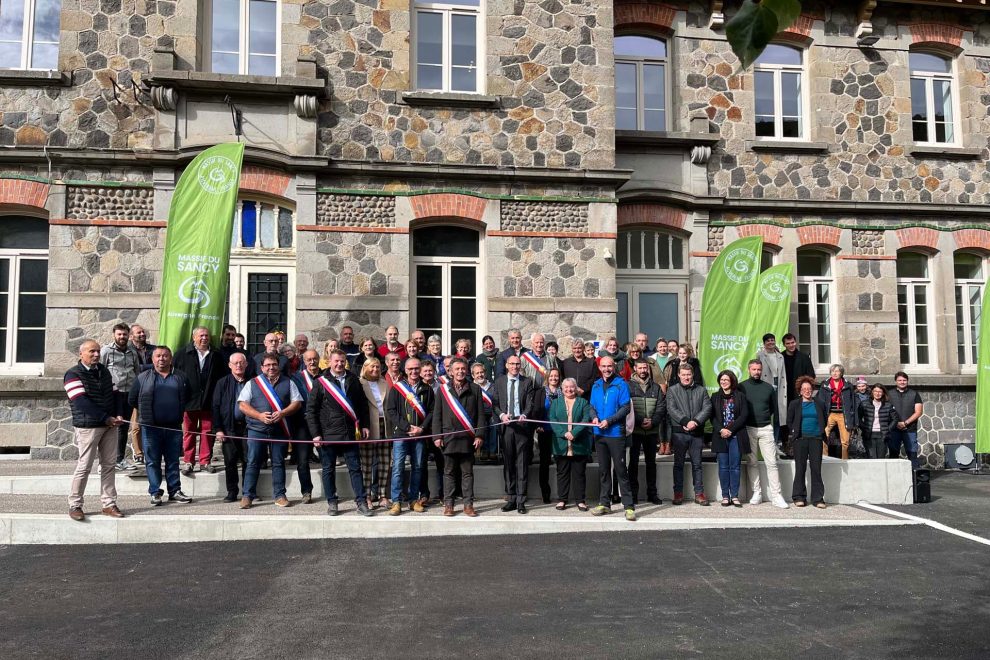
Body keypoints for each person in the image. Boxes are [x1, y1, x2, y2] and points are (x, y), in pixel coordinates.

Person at [65, 339, 125, 521]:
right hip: (88, 426)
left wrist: (119, 414)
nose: (97, 354)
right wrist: (105, 418)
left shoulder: (104, 371)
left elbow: (116, 394)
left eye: (98, 351)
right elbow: (80, 401)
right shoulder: (72, 374)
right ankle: (75, 504)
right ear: (80, 354)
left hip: (109, 426)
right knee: (84, 466)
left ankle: (108, 504)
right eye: (92, 351)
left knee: (108, 466)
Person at [307, 349, 371, 516]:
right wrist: (316, 434)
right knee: (328, 469)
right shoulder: (320, 382)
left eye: (342, 361)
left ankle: (361, 502)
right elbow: (311, 411)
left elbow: (362, 405)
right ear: (329, 362)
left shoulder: (353, 379)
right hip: (328, 433)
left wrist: (365, 425)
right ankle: (332, 502)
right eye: (336, 361)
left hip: (350, 433)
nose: (339, 364)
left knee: (356, 469)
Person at [129, 345, 194, 506]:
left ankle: (175, 491)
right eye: (158, 356)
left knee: (173, 461)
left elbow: (189, 396)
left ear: (170, 358)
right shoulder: (142, 378)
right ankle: (155, 492)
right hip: (151, 428)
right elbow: (132, 399)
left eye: (165, 356)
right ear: (152, 359)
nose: (161, 359)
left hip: (173, 427)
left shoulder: (181, 377)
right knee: (152, 461)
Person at [238, 353, 302, 509]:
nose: (271, 367)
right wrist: (259, 415)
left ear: (278, 366)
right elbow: (242, 405)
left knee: (278, 463)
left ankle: (280, 495)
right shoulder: (252, 383)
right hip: (256, 429)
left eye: (274, 364)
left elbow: (297, 402)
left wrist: (283, 413)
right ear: (262, 367)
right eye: (267, 365)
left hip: (279, 429)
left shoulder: (288, 382)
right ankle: (247, 496)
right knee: (253, 462)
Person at [432, 357, 486, 517]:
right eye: (457, 369)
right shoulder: (443, 390)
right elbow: (437, 415)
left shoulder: (475, 389)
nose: (460, 371)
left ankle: (468, 505)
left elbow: (481, 416)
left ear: (467, 371)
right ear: (450, 372)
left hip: (468, 439)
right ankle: (449, 505)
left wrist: (480, 435)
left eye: (463, 369)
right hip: (449, 439)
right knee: (448, 473)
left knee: (467, 473)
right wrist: (437, 436)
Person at [173, 326, 229, 474]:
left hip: (209, 401)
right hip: (189, 401)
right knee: (189, 432)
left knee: (207, 431)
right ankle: (188, 462)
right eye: (201, 336)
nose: (204, 338)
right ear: (194, 338)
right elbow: (175, 376)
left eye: (206, 335)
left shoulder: (217, 354)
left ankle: (205, 461)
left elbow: (223, 377)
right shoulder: (182, 354)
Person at [589, 356, 636, 521]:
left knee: (621, 470)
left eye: (609, 366)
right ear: (600, 367)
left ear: (614, 367)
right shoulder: (595, 385)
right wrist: (594, 418)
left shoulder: (621, 384)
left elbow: (625, 409)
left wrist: (609, 421)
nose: (607, 369)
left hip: (616, 433)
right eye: (604, 366)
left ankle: (629, 506)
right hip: (600, 435)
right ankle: (604, 503)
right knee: (603, 470)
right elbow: (592, 407)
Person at [738, 359, 789, 509]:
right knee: (752, 462)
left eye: (759, 369)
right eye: (753, 369)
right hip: (748, 428)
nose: (756, 372)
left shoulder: (768, 388)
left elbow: (773, 409)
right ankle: (757, 493)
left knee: (772, 463)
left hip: (766, 428)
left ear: (762, 370)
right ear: (749, 370)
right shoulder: (742, 387)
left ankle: (776, 495)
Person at [386, 357, 434, 515]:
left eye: (416, 368)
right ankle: (396, 502)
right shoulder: (397, 388)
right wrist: (406, 427)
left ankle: (414, 500)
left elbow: (432, 412)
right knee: (398, 468)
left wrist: (421, 428)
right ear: (405, 370)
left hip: (419, 435)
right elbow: (391, 411)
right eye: (410, 369)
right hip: (401, 434)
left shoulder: (427, 389)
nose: (414, 371)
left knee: (418, 467)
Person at [493, 354, 539, 513]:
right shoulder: (499, 382)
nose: (515, 367)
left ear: (521, 366)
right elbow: (495, 404)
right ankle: (511, 497)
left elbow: (530, 404)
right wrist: (501, 415)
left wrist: (525, 415)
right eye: (512, 364)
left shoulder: (527, 382)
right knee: (508, 464)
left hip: (522, 428)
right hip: (507, 428)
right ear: (506, 365)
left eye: (517, 364)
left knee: (522, 464)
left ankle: (521, 500)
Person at [666, 363, 713, 506]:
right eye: (684, 374)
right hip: (680, 433)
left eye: (689, 374)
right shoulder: (672, 390)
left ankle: (699, 494)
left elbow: (707, 407)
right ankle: (678, 493)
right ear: (679, 375)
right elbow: (671, 408)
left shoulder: (701, 390)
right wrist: (686, 421)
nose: (686, 377)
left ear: (693, 375)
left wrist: (696, 422)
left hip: (697, 432)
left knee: (697, 464)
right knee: (678, 464)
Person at [212, 351, 251, 503]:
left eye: (241, 362)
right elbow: (215, 407)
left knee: (249, 460)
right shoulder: (222, 383)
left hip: (249, 428)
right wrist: (218, 429)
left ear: (246, 364)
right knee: (230, 461)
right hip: (229, 428)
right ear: (230, 365)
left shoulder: (253, 382)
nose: (239, 365)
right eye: (236, 363)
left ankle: (248, 492)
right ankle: (232, 492)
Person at [549, 377, 593, 511]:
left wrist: (574, 433)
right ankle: (562, 499)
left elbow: (586, 419)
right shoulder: (555, 403)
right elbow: (552, 419)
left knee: (579, 473)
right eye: (566, 387)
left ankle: (580, 500)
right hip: (561, 444)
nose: (569, 389)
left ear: (576, 388)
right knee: (562, 473)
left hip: (579, 443)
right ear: (562, 389)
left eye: (572, 386)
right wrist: (563, 433)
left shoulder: (583, 402)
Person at [101, 322, 139, 470]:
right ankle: (105, 461)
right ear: (114, 335)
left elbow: (136, 371)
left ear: (128, 335)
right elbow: (101, 372)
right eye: (119, 334)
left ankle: (119, 459)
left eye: (124, 334)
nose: (122, 337)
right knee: (109, 426)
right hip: (112, 394)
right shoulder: (106, 351)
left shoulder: (132, 352)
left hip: (128, 394)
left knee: (123, 427)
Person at [628, 358, 665, 505]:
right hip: (635, 430)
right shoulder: (628, 386)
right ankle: (633, 494)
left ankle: (652, 494)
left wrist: (653, 421)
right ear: (635, 369)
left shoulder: (655, 387)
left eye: (645, 368)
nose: (643, 371)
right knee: (633, 463)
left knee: (651, 464)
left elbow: (661, 407)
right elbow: (627, 407)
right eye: (640, 368)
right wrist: (639, 421)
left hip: (651, 431)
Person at [788, 376, 828, 508]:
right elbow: (790, 421)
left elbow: (824, 419)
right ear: (800, 391)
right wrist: (794, 433)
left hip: (816, 439)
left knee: (816, 469)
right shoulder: (794, 404)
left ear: (813, 390)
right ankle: (799, 496)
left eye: (809, 389)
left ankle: (818, 498)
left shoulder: (820, 403)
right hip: (800, 440)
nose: (807, 391)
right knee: (800, 468)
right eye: (804, 389)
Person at [289, 349, 323, 503]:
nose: (312, 362)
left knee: (326, 458)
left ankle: (330, 491)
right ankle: (306, 491)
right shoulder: (296, 378)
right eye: (308, 359)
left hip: (322, 424)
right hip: (302, 424)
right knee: (302, 460)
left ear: (319, 359)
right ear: (304, 361)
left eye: (315, 359)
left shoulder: (326, 376)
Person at [711, 369, 749, 507]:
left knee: (735, 467)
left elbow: (744, 416)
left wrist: (730, 430)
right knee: (723, 467)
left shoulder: (740, 396)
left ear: (732, 381)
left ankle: (735, 496)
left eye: (726, 379)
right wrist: (722, 429)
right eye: (721, 379)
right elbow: (712, 417)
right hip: (720, 436)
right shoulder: (715, 397)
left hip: (736, 436)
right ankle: (725, 496)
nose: (723, 382)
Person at [359, 358, 392, 509]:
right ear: (365, 367)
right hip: (368, 426)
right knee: (366, 463)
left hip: (384, 424)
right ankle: (367, 496)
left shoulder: (384, 382)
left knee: (385, 462)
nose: (375, 370)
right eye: (372, 367)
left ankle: (382, 495)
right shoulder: (359, 383)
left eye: (378, 367)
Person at [127, 323, 156, 466]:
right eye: (139, 332)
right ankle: (138, 452)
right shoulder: (127, 350)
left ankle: (150, 450)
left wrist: (142, 368)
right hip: (136, 391)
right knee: (136, 424)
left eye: (143, 332)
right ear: (131, 336)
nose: (142, 334)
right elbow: (131, 369)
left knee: (151, 423)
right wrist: (148, 367)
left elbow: (159, 367)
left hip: (152, 390)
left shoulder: (153, 349)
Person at [533, 367, 563, 504]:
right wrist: (537, 426)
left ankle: (562, 494)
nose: (554, 378)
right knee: (544, 463)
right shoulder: (540, 392)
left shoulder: (564, 392)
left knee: (561, 462)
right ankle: (546, 493)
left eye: (556, 376)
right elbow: (536, 410)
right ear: (547, 377)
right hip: (544, 431)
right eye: (551, 376)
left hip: (560, 432)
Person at [417, 359, 445, 505]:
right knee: (421, 465)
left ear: (434, 371)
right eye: (425, 371)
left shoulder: (441, 387)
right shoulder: (415, 388)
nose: (428, 373)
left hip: (438, 431)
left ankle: (443, 494)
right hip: (422, 431)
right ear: (420, 373)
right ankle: (424, 494)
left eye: (430, 370)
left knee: (442, 464)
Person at [817, 364, 856, 460]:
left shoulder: (848, 386)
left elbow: (853, 403)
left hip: (843, 414)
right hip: (829, 414)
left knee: (845, 441)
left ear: (841, 373)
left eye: (837, 371)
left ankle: (845, 460)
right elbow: (820, 401)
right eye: (833, 371)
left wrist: (854, 419)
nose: (835, 373)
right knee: (823, 436)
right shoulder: (824, 385)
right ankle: (824, 459)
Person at [757, 333, 787, 448]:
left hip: (779, 385)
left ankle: (776, 442)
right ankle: (767, 443)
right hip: (766, 384)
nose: (771, 342)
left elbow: (783, 373)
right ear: (764, 343)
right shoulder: (760, 355)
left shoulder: (780, 356)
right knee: (768, 414)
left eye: (772, 340)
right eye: (768, 341)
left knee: (778, 416)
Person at [888, 372, 924, 467]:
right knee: (893, 454)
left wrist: (905, 423)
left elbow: (918, 412)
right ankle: (893, 478)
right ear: (896, 381)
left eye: (904, 380)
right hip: (894, 429)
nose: (902, 382)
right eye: (900, 380)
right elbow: (885, 410)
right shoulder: (889, 394)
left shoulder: (914, 394)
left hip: (910, 429)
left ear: (907, 381)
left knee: (912, 454)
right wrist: (895, 423)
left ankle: (914, 478)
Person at [858, 383, 899, 460]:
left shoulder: (888, 405)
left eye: (880, 391)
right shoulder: (864, 404)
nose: (877, 393)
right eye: (875, 391)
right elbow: (858, 418)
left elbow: (895, 419)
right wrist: (864, 428)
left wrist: (888, 429)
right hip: (869, 434)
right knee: (871, 457)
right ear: (872, 392)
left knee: (881, 458)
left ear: (883, 393)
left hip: (882, 435)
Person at [471, 362, 498, 461]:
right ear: (473, 375)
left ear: (485, 373)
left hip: (492, 413)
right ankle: (484, 450)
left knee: (493, 425)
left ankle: (492, 451)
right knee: (482, 426)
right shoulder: (471, 387)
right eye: (477, 373)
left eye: (481, 372)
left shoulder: (493, 386)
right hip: (478, 414)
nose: (480, 375)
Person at [781, 333, 816, 404]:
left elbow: (811, 375)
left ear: (795, 342)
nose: (791, 345)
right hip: (784, 392)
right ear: (784, 345)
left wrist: (804, 389)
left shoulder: (804, 357)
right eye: (788, 343)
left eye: (793, 342)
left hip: (799, 392)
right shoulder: (780, 357)